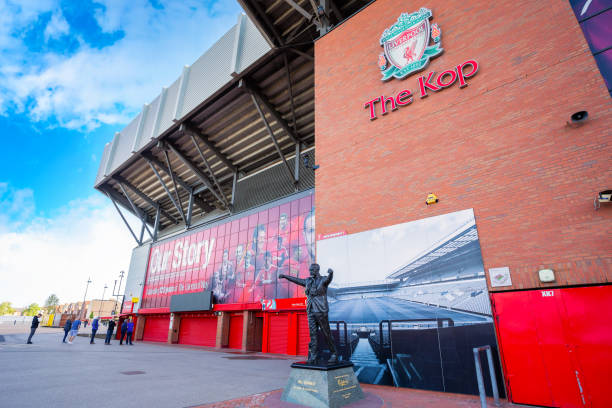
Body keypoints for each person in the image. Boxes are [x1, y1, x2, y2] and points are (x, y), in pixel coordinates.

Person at [280, 264, 337, 364]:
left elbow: (329, 279)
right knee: (313, 334)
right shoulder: (308, 281)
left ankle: (334, 354)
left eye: (311, 270)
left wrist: (331, 273)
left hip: (321, 311)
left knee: (326, 333)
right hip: (310, 311)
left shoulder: (323, 280)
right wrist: (285, 276)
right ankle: (314, 356)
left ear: (317, 270)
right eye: (309, 270)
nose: (310, 272)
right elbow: (297, 280)